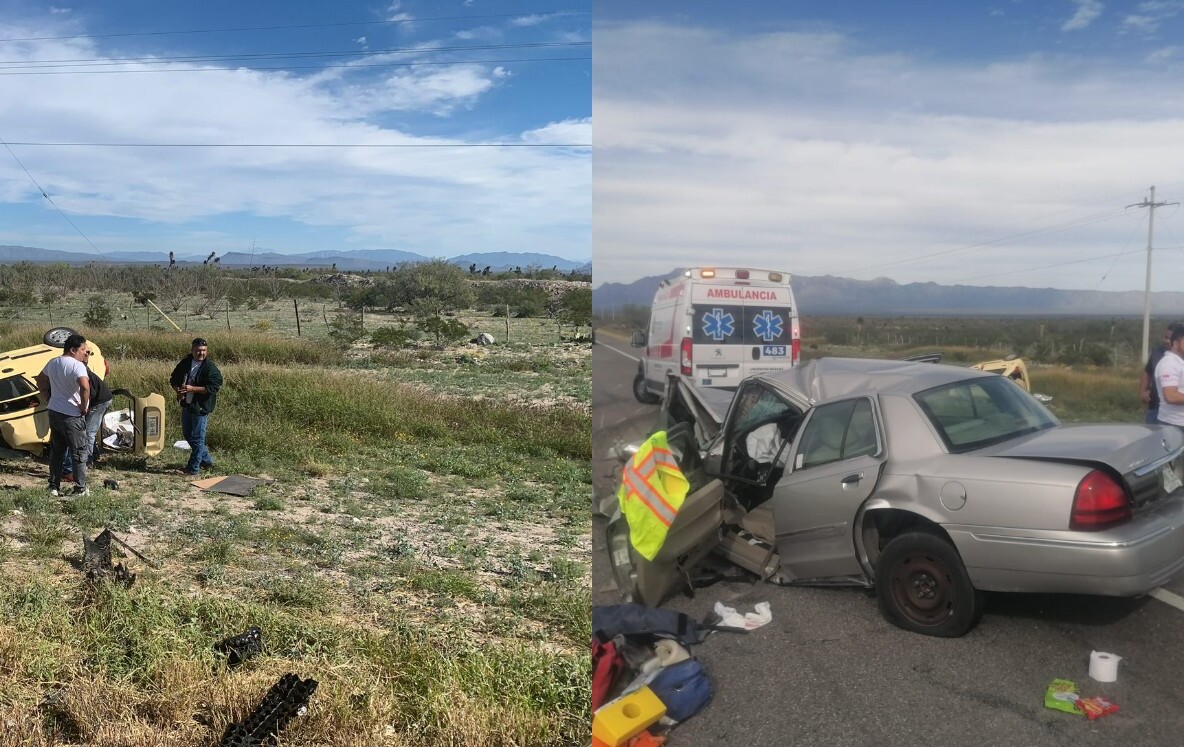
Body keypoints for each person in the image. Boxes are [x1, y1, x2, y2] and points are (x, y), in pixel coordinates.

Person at [34, 333, 92, 497]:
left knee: (57, 452)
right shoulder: (77, 365)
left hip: (54, 411)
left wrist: (47, 397)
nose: (84, 353)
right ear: (73, 350)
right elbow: (85, 387)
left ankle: (53, 486)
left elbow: (40, 379)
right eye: (82, 350)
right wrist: (84, 405)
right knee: (79, 452)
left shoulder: (53, 362)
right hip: (72, 414)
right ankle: (80, 488)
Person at [169, 337, 223, 476]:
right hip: (187, 404)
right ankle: (206, 460)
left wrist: (192, 388)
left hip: (200, 407)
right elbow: (174, 378)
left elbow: (212, 388)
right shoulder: (186, 362)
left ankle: (193, 469)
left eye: (204, 351)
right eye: (198, 350)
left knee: (198, 438)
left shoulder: (210, 368)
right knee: (188, 435)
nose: (201, 353)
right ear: (192, 350)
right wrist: (178, 391)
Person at [62, 362, 114, 482]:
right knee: (85, 431)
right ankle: (91, 455)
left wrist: (84, 408)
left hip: (100, 401)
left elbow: (89, 393)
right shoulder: (76, 370)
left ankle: (86, 461)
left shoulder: (82, 375)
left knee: (88, 433)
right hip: (98, 399)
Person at [1141, 323, 1179, 424]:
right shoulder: (1157, 352)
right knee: (1152, 437)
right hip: (1154, 407)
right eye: (1166, 337)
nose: (1166, 341)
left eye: (1170, 338)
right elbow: (1147, 372)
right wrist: (1143, 391)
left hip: (1175, 413)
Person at [1154, 326, 1184, 436]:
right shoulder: (1169, 363)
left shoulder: (1179, 363)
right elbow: (1171, 396)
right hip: (1174, 425)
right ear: (1175, 344)